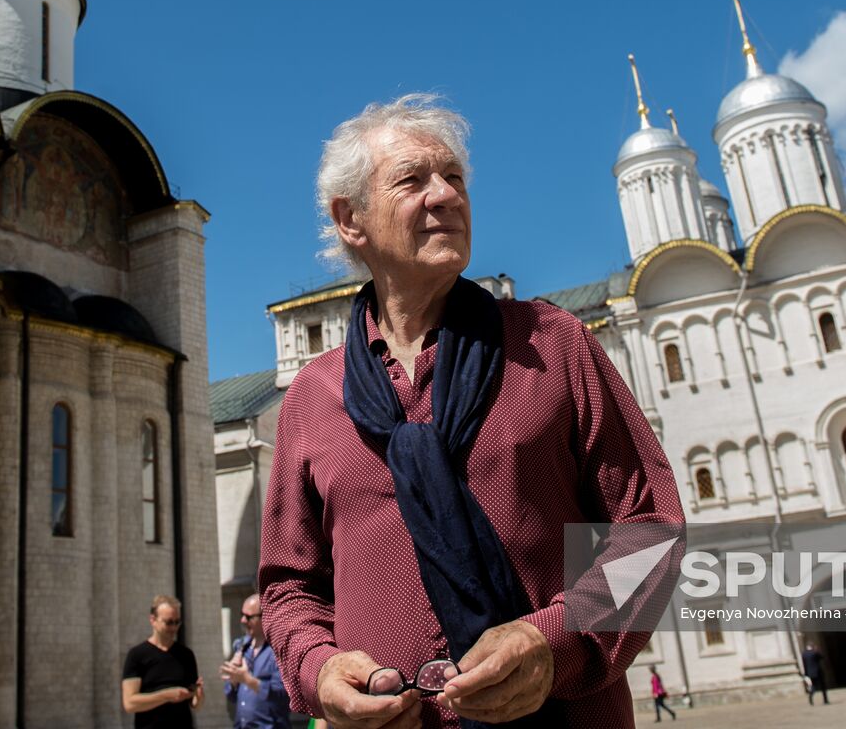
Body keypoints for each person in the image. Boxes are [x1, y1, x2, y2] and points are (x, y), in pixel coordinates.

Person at [258, 95, 684, 729]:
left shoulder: (551, 343)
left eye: (454, 177)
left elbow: (650, 532)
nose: (445, 195)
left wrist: (554, 641)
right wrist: (321, 670)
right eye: (412, 180)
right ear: (352, 220)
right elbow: (289, 588)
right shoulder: (311, 400)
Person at [122, 594, 204, 728]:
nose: (174, 628)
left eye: (177, 622)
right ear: (153, 620)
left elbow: (194, 704)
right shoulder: (137, 655)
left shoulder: (186, 655)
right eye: (169, 622)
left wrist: (199, 697)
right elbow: (130, 703)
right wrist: (166, 696)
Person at [222, 593, 296, 727]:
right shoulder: (243, 647)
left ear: (265, 618)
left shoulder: (278, 651)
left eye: (249, 617)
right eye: (242, 615)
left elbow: (283, 695)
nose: (243, 621)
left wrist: (248, 680)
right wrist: (233, 680)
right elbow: (232, 696)